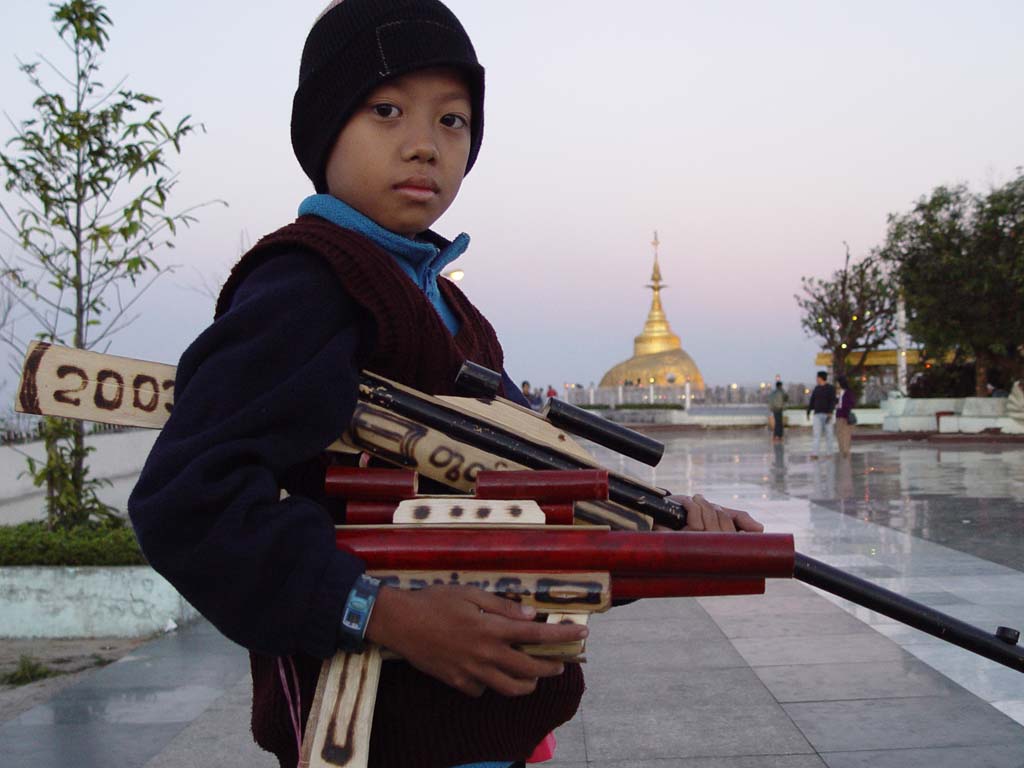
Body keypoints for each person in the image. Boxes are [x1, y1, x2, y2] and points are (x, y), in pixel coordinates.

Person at [128, 2, 762, 766]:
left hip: (495, 725)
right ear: (325, 130)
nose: (425, 144)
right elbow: (188, 502)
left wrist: (672, 541)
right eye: (386, 111)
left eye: (453, 121)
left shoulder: (452, 309)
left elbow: (528, 512)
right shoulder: (307, 285)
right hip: (378, 737)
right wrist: (384, 614)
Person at [806, 370, 836, 458]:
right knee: (816, 435)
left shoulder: (830, 388)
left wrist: (830, 412)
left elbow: (832, 401)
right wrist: (808, 411)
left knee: (829, 434)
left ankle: (829, 453)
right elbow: (812, 400)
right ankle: (815, 453)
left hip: (827, 414)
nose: (816, 379)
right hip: (817, 414)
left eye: (817, 377)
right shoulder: (816, 388)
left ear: (821, 378)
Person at [834, 374, 856, 458]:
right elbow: (835, 404)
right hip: (839, 415)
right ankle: (842, 450)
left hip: (846, 415)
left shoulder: (848, 392)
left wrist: (845, 406)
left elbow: (852, 403)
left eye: (837, 382)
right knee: (839, 434)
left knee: (846, 434)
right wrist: (837, 396)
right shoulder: (837, 392)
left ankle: (846, 451)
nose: (836, 384)